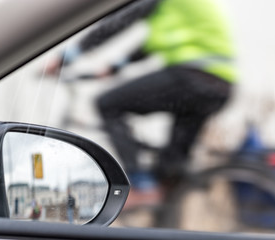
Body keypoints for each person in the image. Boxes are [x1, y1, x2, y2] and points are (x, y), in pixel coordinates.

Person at [45, 0, 236, 204]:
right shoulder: (184, 10)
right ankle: (165, 220)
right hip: (220, 84)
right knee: (170, 170)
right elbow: (156, 43)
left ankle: (140, 183)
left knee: (108, 103)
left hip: (192, 77)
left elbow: (119, 20)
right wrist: (116, 66)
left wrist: (68, 56)